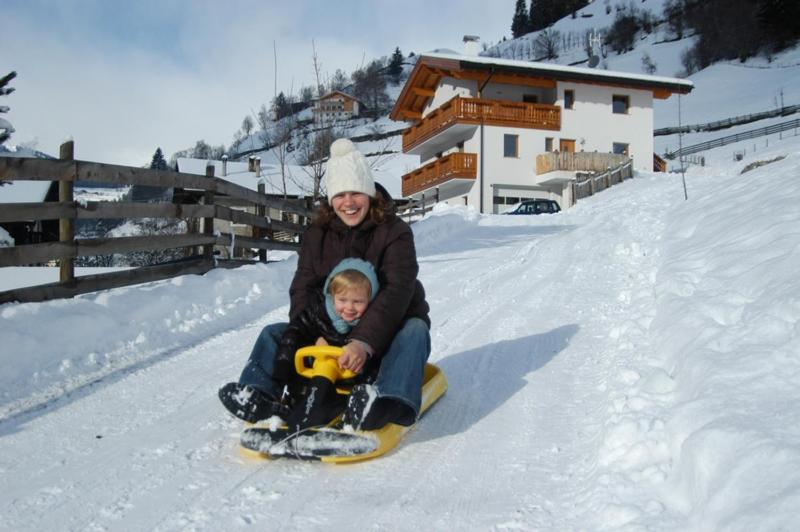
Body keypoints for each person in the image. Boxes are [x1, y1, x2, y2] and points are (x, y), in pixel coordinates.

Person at [219, 138, 431, 432]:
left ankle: (385, 401)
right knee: (273, 334)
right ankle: (258, 395)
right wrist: (308, 332)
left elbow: (398, 290)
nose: (348, 202)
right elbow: (303, 286)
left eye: (356, 192)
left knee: (416, 331)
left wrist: (363, 343)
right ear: (331, 199)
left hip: (384, 333)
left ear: (369, 193)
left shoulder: (395, 232)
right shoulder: (317, 233)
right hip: (330, 328)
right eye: (340, 194)